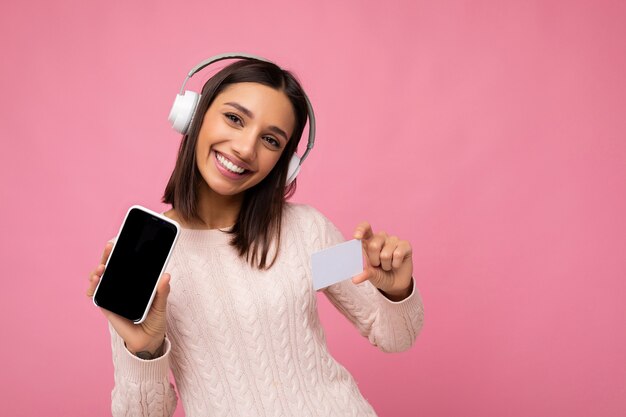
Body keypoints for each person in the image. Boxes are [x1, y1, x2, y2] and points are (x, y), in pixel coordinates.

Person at [86, 55, 424, 417]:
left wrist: (396, 291)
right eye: (234, 119)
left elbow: (393, 335)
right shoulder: (143, 256)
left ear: (286, 163)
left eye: (271, 140)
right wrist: (146, 351)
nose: (246, 149)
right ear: (193, 116)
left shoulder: (307, 233)